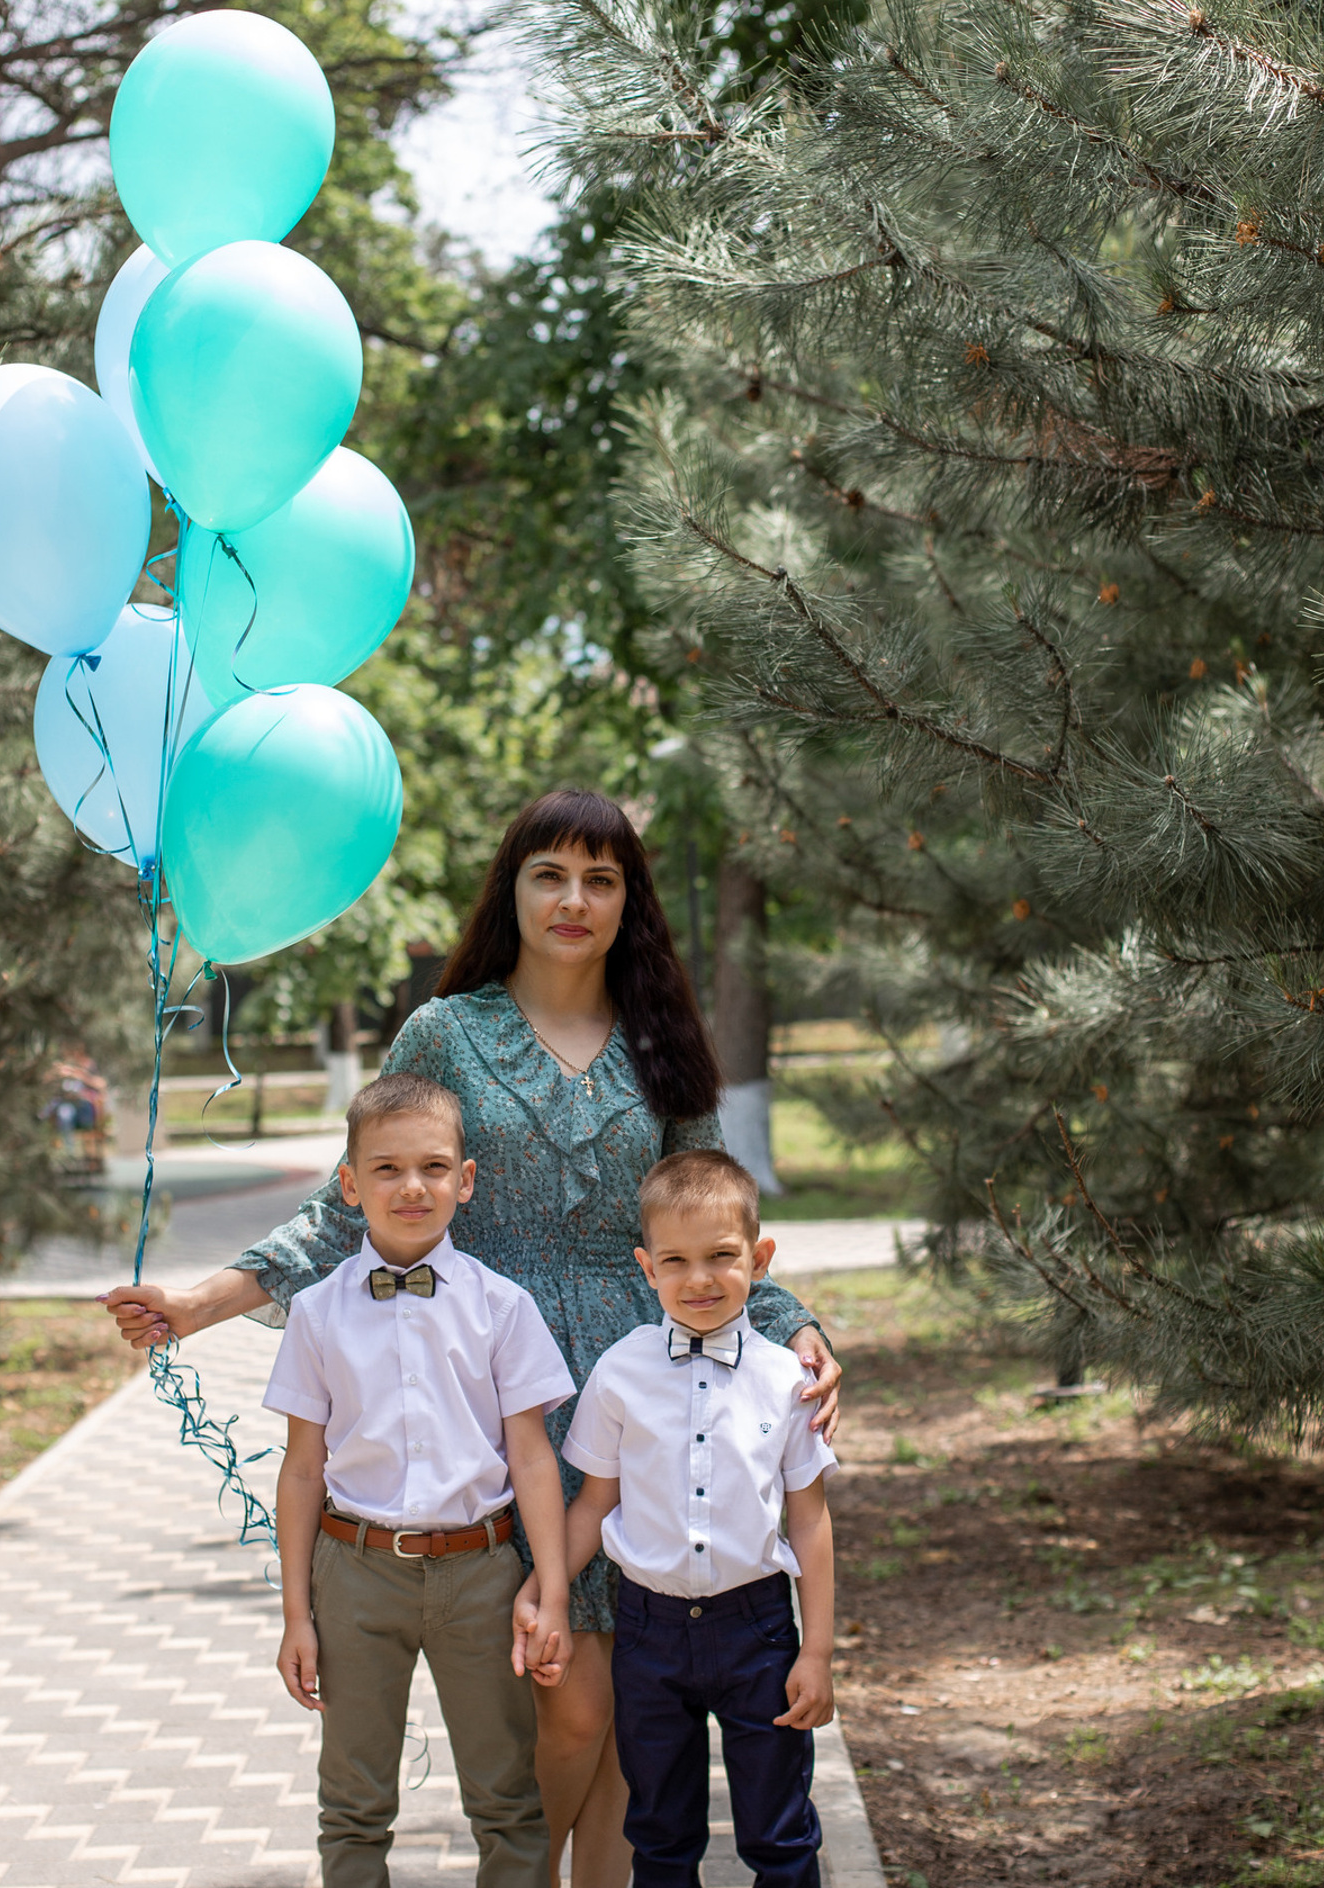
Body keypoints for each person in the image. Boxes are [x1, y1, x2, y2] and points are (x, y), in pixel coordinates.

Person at [102, 788, 843, 1887]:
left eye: (602, 877)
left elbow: (709, 1209)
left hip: (646, 1392)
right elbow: (346, 1205)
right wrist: (202, 1303)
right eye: (551, 874)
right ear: (515, 888)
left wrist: (800, 1325)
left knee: (632, 1715)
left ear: (629, 898)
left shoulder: (660, 1039)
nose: (574, 899)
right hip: (495, 1401)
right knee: (569, 1702)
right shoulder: (447, 1031)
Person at [267, 1071, 575, 1888]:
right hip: (356, 1572)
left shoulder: (503, 1307)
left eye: (435, 1167)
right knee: (354, 1803)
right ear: (350, 1184)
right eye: (387, 1169)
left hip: (482, 1573)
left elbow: (533, 1455)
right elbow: (301, 1472)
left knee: (508, 1798)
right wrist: (297, 1614)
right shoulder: (317, 1312)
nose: (413, 1187)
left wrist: (550, 1586)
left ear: (465, 1180)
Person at [518, 1149, 836, 1888]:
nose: (699, 1280)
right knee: (660, 1833)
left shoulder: (786, 1380)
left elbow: (810, 1520)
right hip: (650, 1634)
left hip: (758, 1631)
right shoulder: (620, 1372)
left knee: (780, 1830)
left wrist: (815, 1653)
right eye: (676, 1261)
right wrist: (545, 1586)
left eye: (722, 1257)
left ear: (759, 1258)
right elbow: (594, 1502)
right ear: (646, 1266)